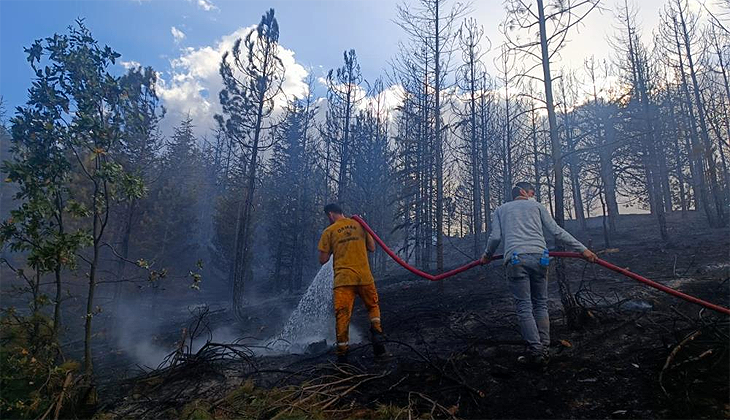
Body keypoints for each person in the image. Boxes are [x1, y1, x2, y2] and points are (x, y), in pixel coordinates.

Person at [481, 182, 597, 366]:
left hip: (516, 259)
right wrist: (583, 250)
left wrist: (487, 255)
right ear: (521, 191)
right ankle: (544, 349)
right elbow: (557, 231)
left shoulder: (501, 210)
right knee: (541, 305)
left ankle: (537, 352)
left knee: (524, 307)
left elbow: (495, 237)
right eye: (531, 192)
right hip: (540, 258)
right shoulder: (537, 207)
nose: (532, 196)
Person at [318, 203, 387, 363]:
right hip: (364, 277)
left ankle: (342, 355)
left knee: (342, 315)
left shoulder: (329, 231)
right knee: (373, 306)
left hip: (343, 281)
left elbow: (323, 260)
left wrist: (337, 248)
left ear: (330, 214)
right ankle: (377, 337)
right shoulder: (360, 224)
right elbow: (372, 247)